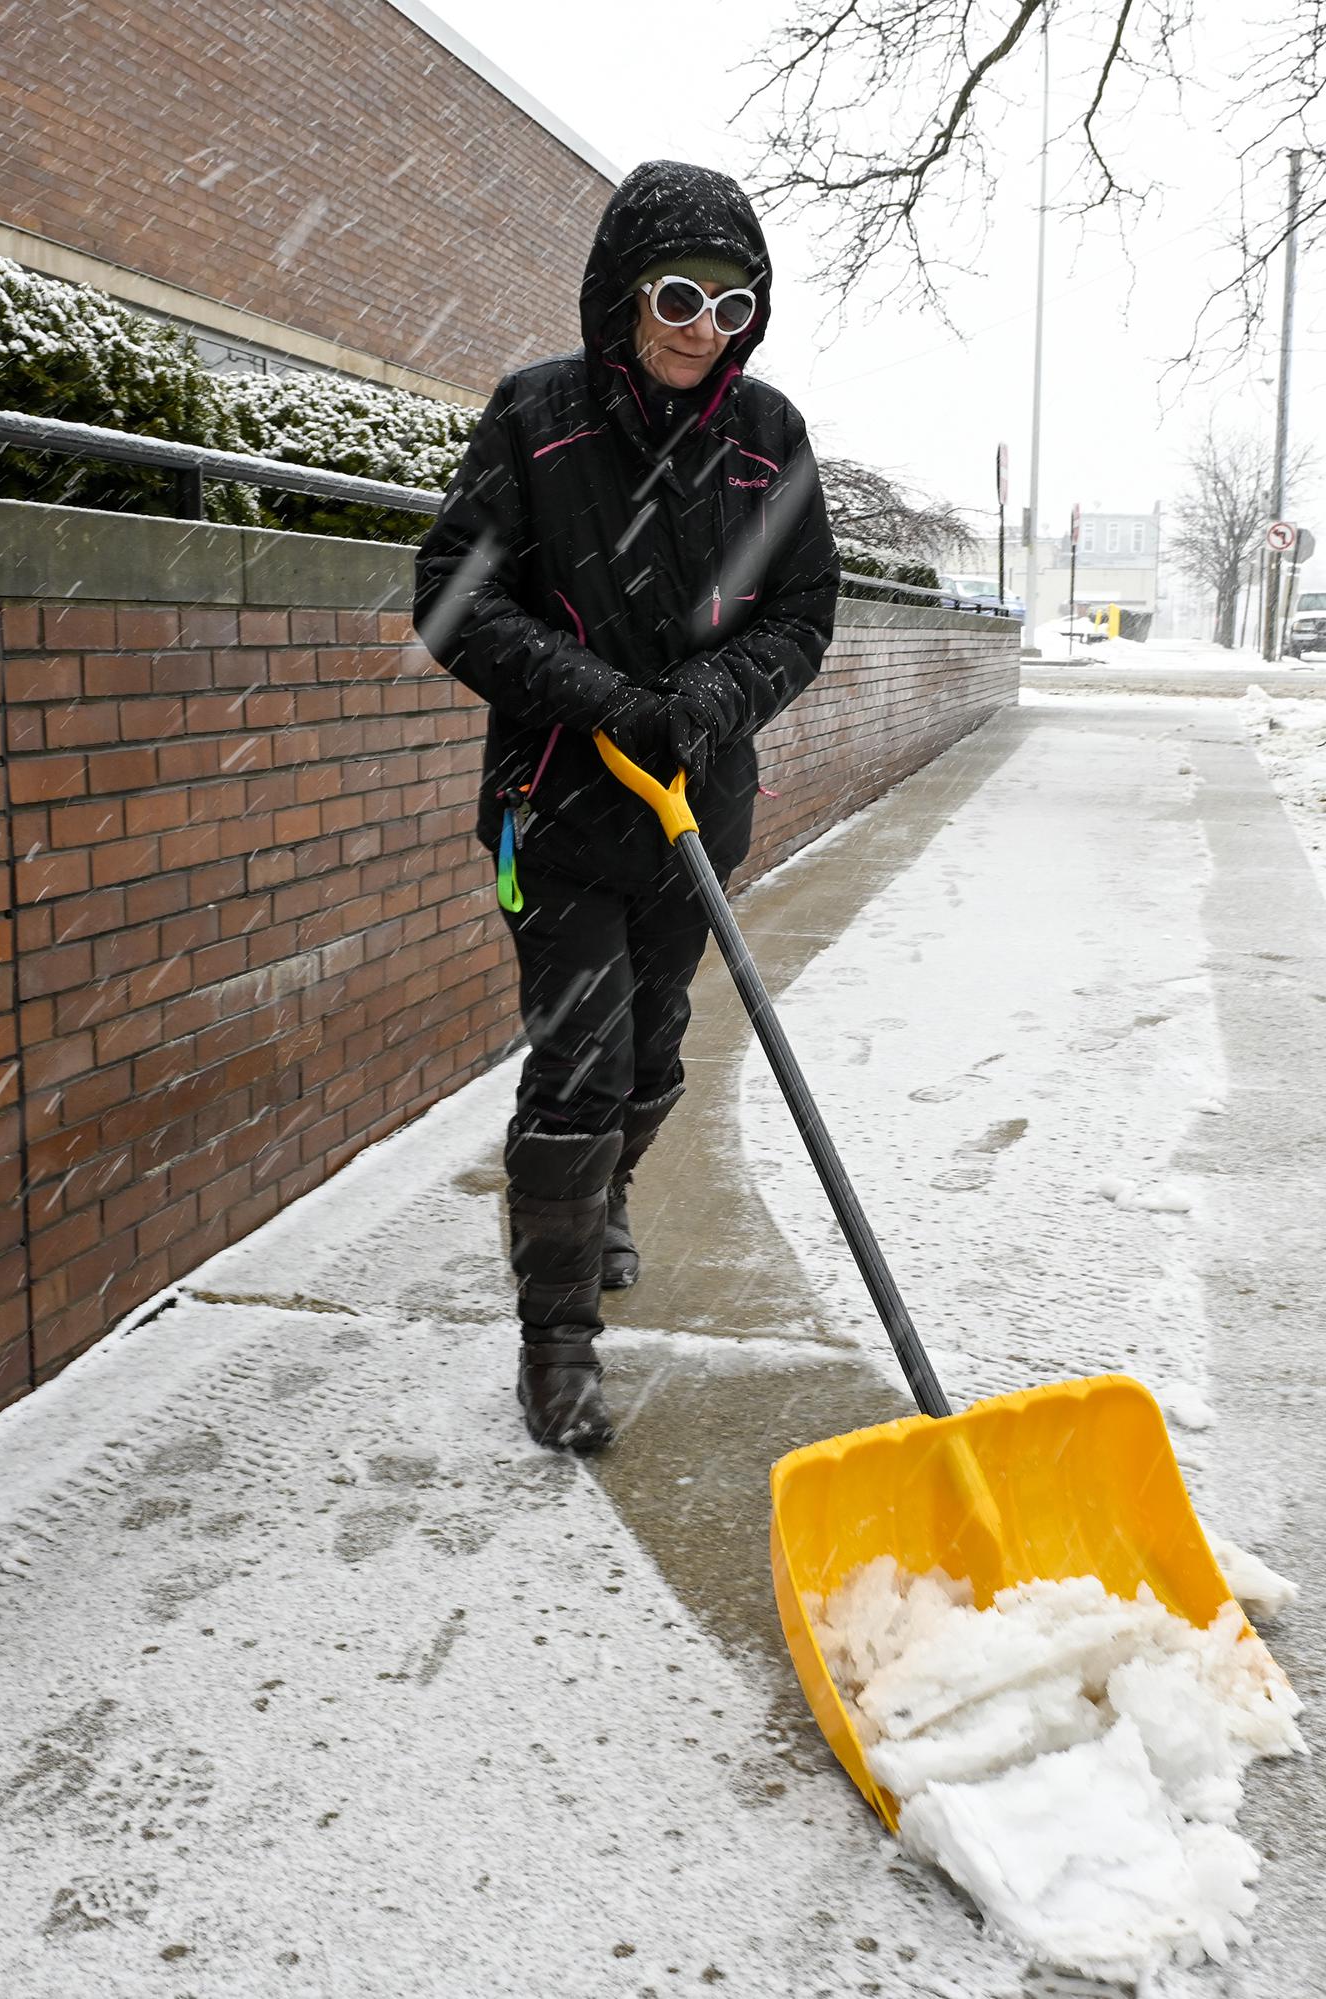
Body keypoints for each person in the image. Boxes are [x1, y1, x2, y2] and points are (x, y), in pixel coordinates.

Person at [413, 160, 838, 1453]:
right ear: (622, 296)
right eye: (678, 296)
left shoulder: (768, 443)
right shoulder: (538, 423)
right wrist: (598, 698)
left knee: (654, 1059)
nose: (704, 329)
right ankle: (556, 1344)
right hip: (557, 811)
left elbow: (806, 613)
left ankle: (603, 1198)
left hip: (693, 818)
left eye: (734, 307)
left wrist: (710, 698)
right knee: (581, 1061)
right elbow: (453, 598)